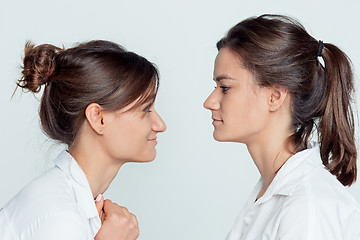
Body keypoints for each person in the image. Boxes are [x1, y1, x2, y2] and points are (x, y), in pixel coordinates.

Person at [204, 14, 360, 239]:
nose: (209, 102)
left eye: (225, 87)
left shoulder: (308, 207)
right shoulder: (271, 191)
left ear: (274, 96)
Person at [0, 40, 166, 240]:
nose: (160, 125)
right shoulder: (61, 219)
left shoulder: (74, 206)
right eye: (146, 109)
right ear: (98, 118)